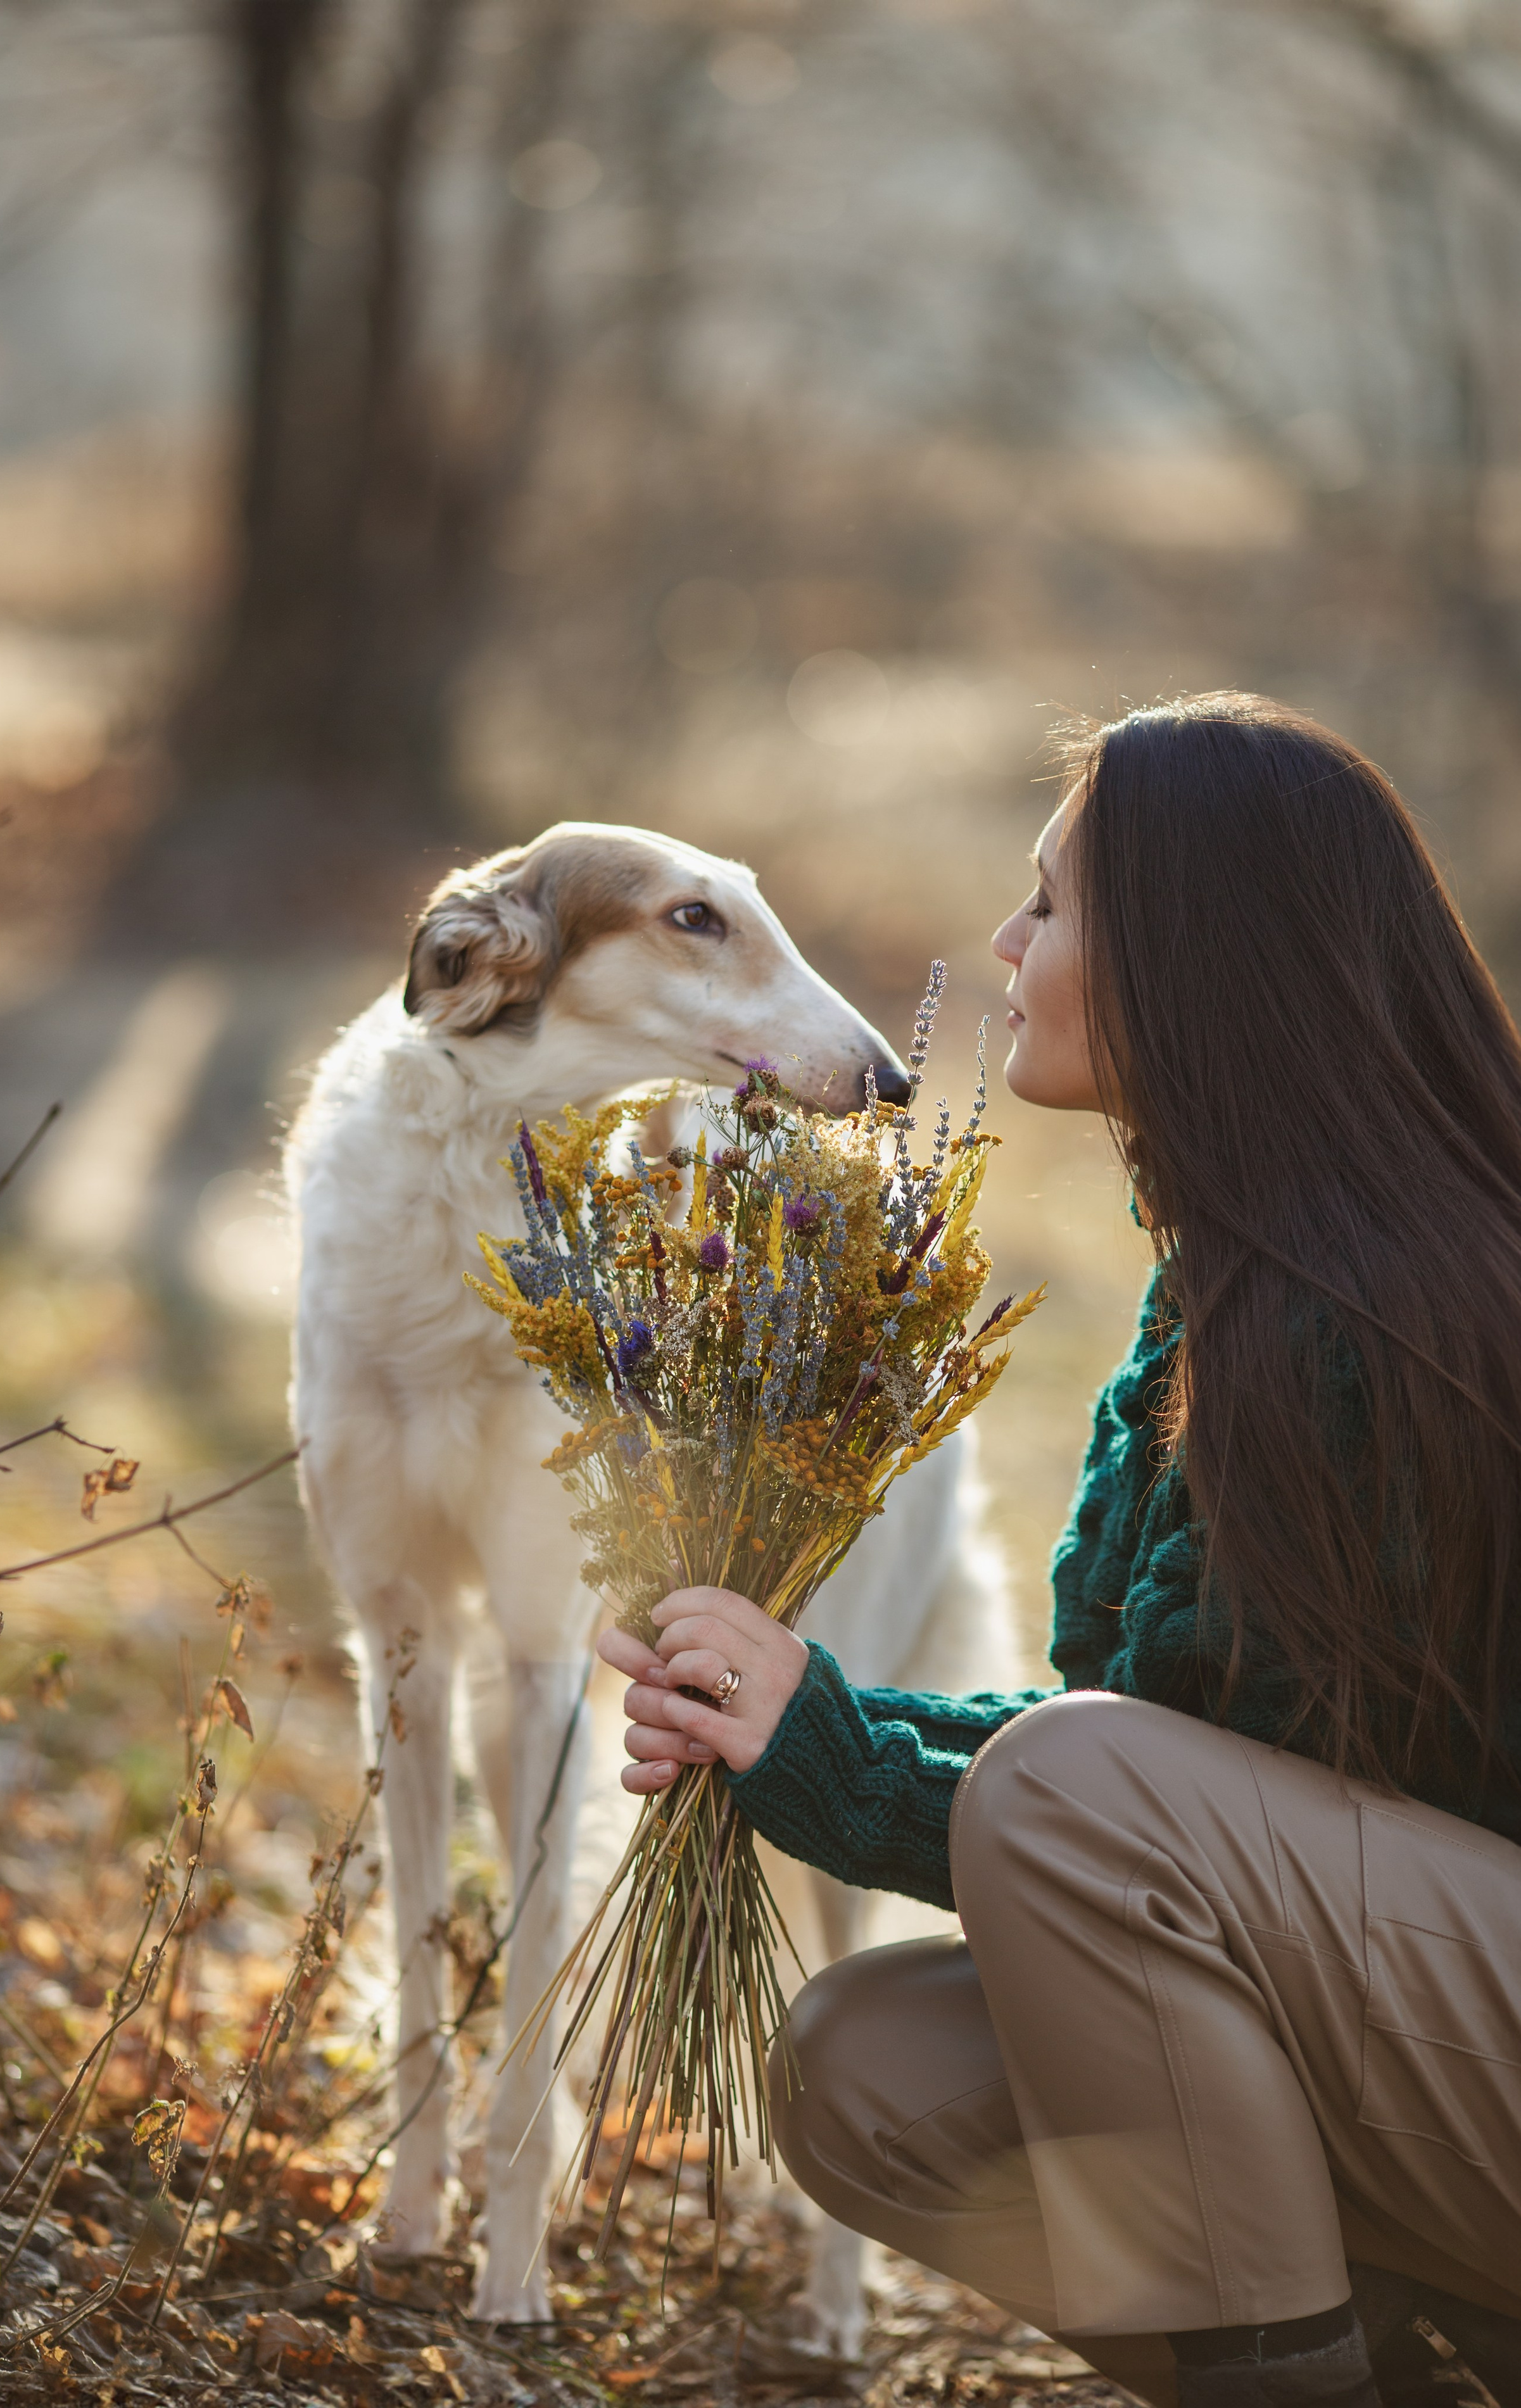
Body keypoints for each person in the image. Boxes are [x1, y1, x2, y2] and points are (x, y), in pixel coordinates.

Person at [598, 695, 1521, 2408]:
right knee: (867, 2067)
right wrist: (799, 1720)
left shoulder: (1401, 1312)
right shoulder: (1233, 1286)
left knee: (1075, 1790)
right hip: (1451, 2022)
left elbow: (1134, 1809)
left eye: (1050, 906)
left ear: (1189, 957)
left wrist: (845, 1752)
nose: (1005, 945)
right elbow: (1202, 1799)